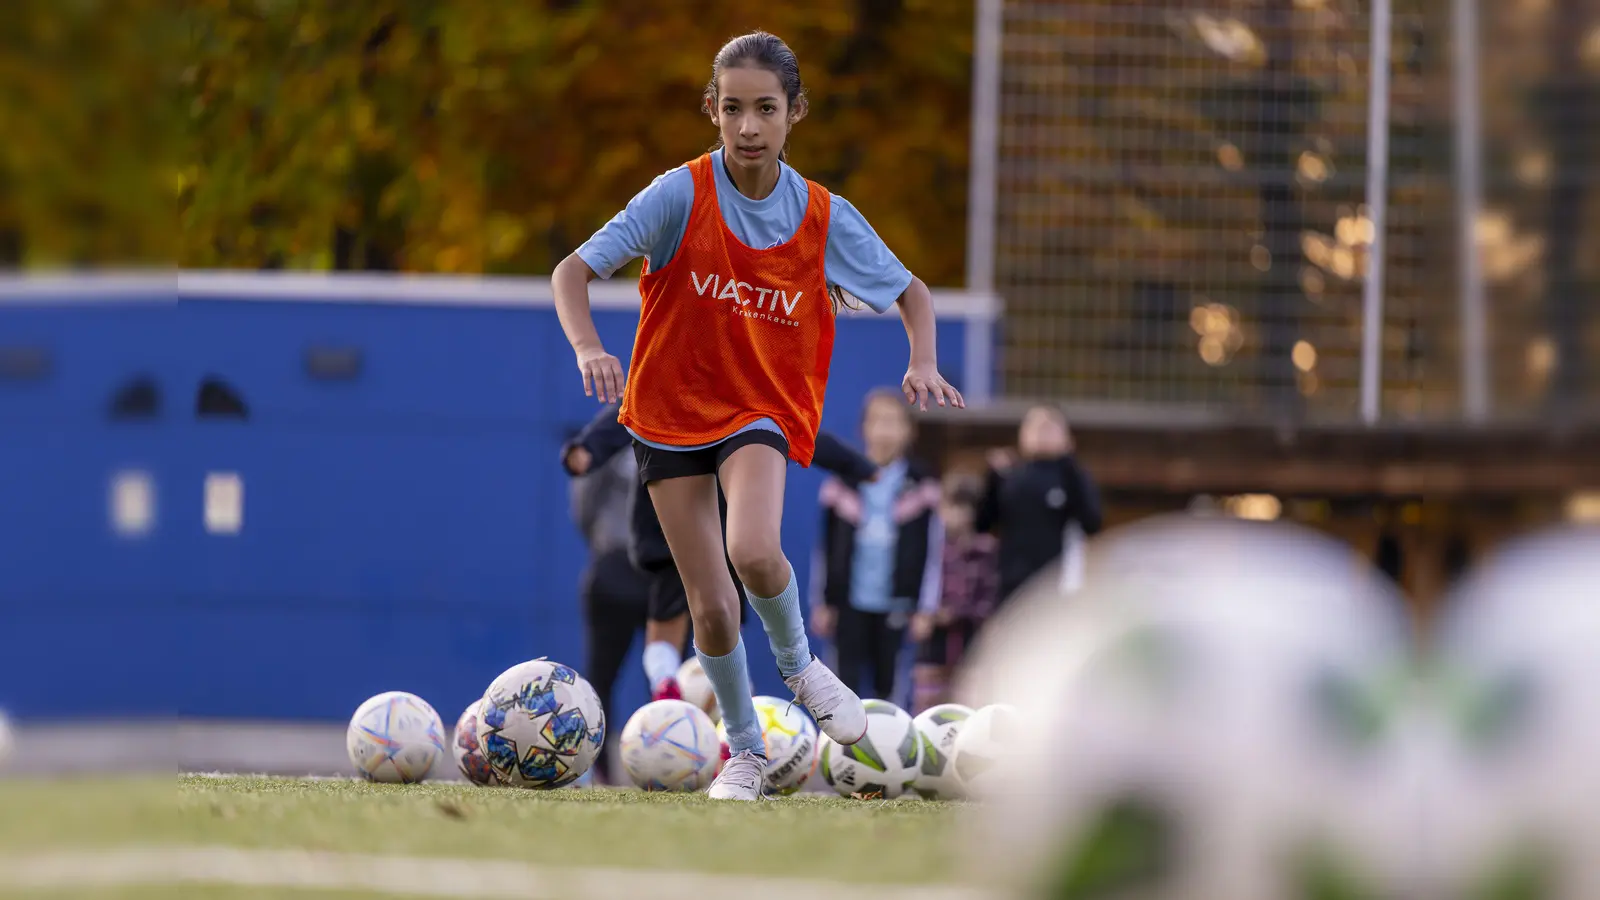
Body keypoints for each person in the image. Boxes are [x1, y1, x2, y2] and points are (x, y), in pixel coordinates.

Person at [551, 31, 965, 801]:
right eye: (733, 108)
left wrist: (923, 360)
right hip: (667, 414)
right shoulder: (679, 194)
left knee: (754, 549)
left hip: (759, 410)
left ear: (795, 113)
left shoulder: (823, 215)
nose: (748, 126)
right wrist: (586, 348)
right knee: (708, 609)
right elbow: (572, 271)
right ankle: (743, 751)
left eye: (765, 109)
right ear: (711, 110)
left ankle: (804, 670)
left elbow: (912, 291)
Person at [563, 401, 877, 705]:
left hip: (698, 534)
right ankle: (688, 698)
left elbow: (802, 431)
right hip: (691, 533)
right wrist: (588, 448)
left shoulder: (739, 396)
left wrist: (858, 466)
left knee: (691, 624)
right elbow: (626, 413)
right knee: (706, 626)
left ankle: (675, 689)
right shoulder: (677, 387)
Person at [811, 389, 943, 706]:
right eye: (877, 421)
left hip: (896, 604)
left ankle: (890, 752)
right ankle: (840, 752)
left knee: (891, 689)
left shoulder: (923, 485)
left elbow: (934, 551)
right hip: (849, 604)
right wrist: (823, 601)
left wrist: (925, 607)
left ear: (908, 431)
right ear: (863, 429)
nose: (884, 429)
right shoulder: (840, 483)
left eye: (893, 421)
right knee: (843, 687)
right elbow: (824, 549)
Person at [565, 444, 651, 785]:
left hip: (664, 572)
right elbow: (584, 507)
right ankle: (595, 768)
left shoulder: (681, 433)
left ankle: (670, 763)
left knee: (667, 676)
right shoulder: (609, 441)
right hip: (615, 567)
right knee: (601, 677)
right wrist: (609, 544)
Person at [977, 404, 1103, 605]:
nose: (1042, 432)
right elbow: (982, 524)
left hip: (1057, 584)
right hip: (1012, 584)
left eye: (1050, 427)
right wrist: (991, 480)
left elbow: (1092, 523)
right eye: (1035, 426)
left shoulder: (1072, 476)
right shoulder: (1009, 478)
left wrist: (1068, 462)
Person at [909, 477, 999, 713]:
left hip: (970, 647)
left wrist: (956, 612)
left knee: (969, 711)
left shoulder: (986, 550)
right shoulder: (927, 549)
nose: (956, 514)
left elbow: (989, 600)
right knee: (927, 712)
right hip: (932, 649)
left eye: (964, 507)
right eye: (950, 506)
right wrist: (924, 616)